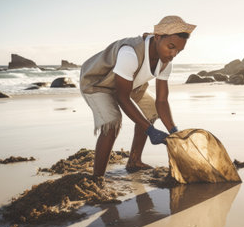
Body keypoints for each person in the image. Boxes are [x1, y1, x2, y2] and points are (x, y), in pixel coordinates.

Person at [80, 15, 196, 177]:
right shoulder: (130, 53)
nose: (173, 54)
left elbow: (162, 101)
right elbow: (122, 98)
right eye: (170, 47)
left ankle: (134, 161)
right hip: (98, 83)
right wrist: (150, 130)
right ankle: (97, 178)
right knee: (112, 123)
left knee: (151, 111)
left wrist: (174, 132)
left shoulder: (166, 62)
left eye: (178, 50)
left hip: (130, 85)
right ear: (157, 37)